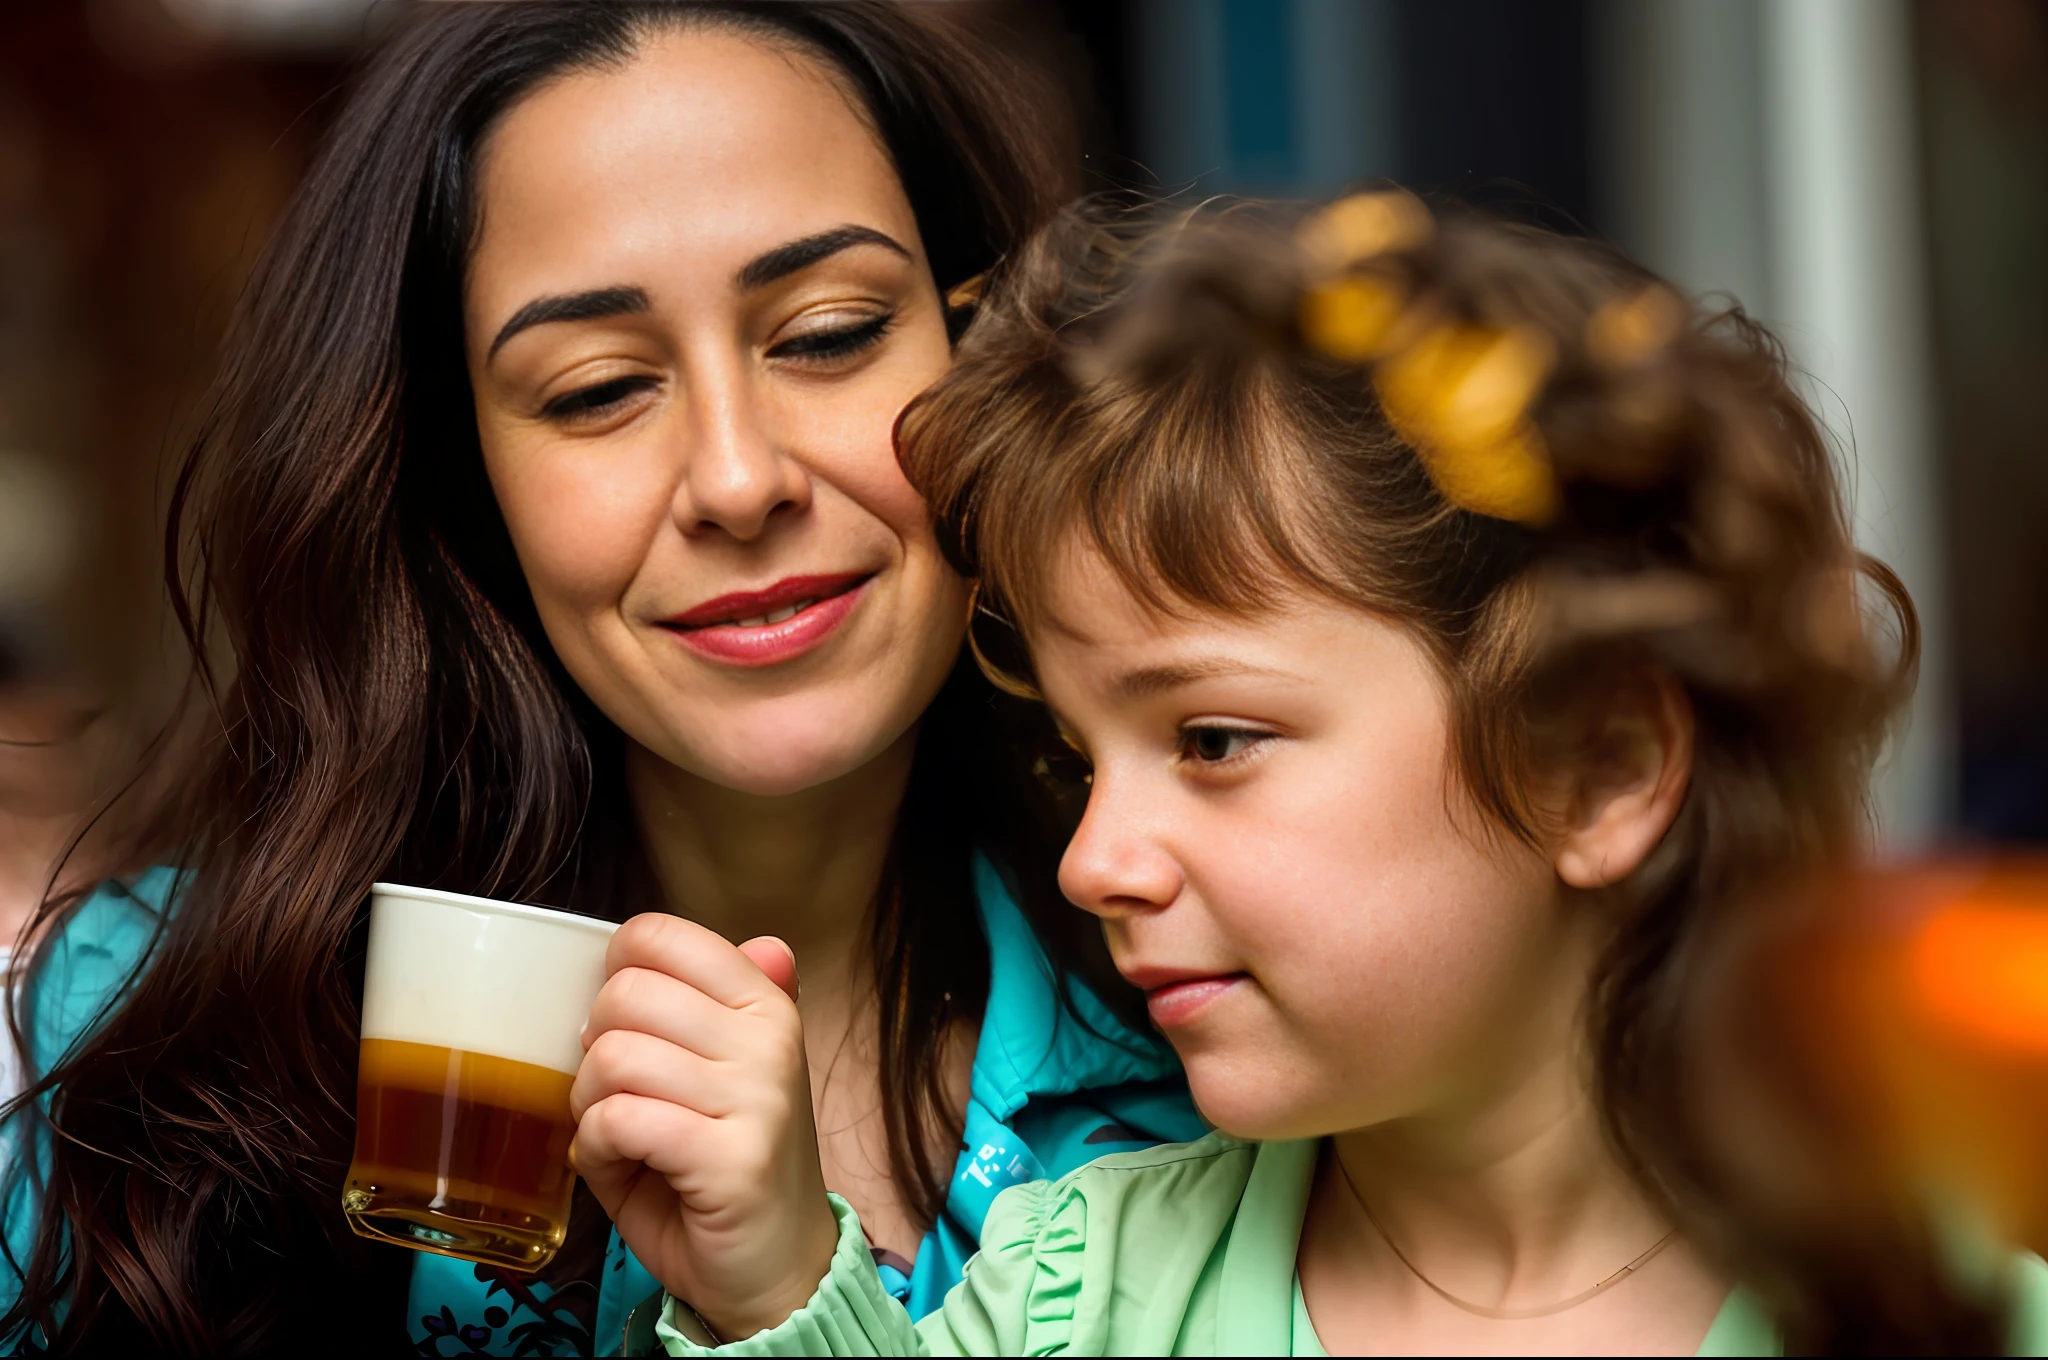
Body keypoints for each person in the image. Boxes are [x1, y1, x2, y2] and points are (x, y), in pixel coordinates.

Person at [578, 196, 2048, 1356]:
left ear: (1599, 765)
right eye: (1084, 758)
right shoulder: (1065, 1299)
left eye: (1212, 740)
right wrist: (779, 1292)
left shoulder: (1962, 1314)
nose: (1092, 860)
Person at [0, 6, 1205, 1353]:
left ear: (987, 366)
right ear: (463, 485)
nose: (741, 480)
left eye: (826, 332)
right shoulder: (143, 1031)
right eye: (593, 392)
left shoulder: (1218, 1022)